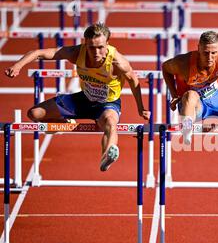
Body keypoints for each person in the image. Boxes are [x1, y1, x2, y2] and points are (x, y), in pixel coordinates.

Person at [4, 22, 150, 172]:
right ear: (85, 44)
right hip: (82, 99)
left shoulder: (118, 62)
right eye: (91, 47)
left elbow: (133, 80)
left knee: (110, 123)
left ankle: (107, 156)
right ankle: (65, 121)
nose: (96, 52)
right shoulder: (76, 52)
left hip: (107, 105)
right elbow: (38, 53)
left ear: (107, 43)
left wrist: (141, 108)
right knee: (34, 114)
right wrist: (18, 65)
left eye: (100, 47)